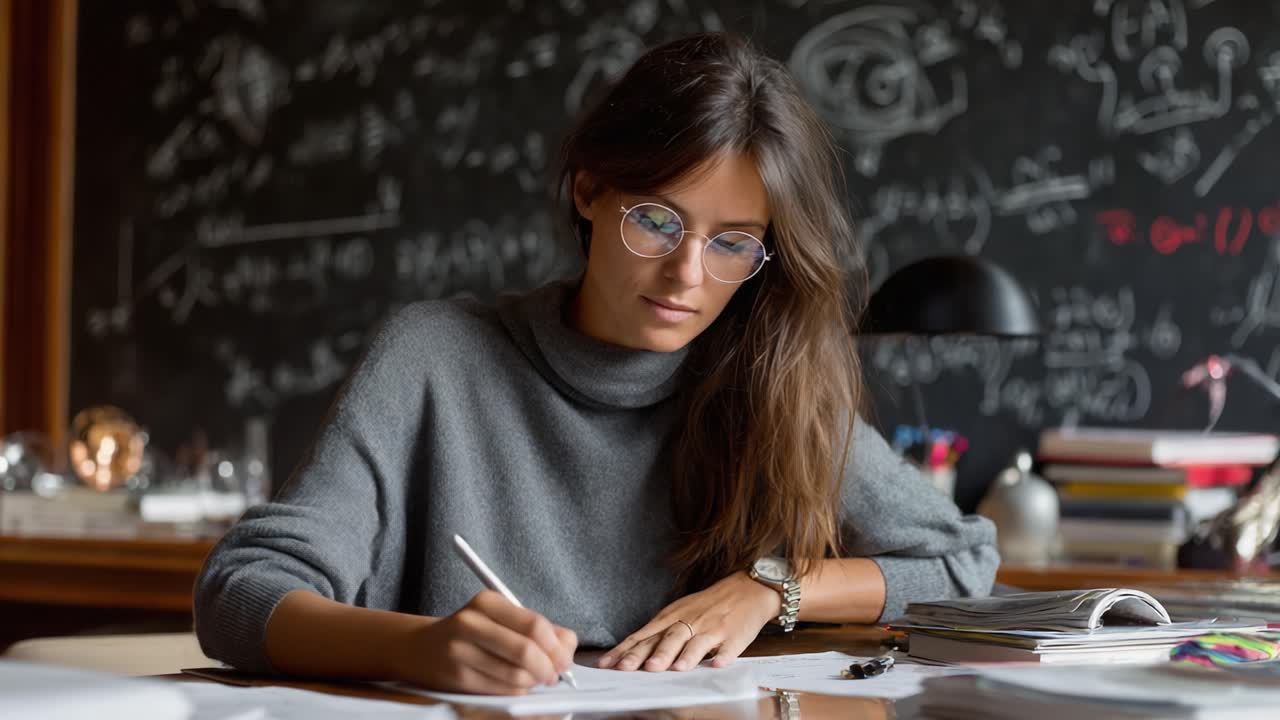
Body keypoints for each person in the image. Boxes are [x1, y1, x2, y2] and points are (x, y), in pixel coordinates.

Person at [194, 31, 997, 696]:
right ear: (589, 191)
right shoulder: (435, 358)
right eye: (656, 221)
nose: (687, 276)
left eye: (732, 244)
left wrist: (770, 589)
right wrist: (414, 647)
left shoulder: (769, 380)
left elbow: (963, 560)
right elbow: (239, 595)